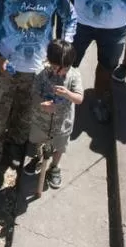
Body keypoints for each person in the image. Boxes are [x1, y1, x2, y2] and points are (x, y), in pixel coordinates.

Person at [0, 0, 76, 190]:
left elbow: (70, 18)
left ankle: (15, 148)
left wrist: (61, 51)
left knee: (26, 113)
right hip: (6, 66)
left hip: (38, 68)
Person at [25, 40, 83, 194]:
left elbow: (79, 98)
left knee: (59, 147)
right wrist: (41, 104)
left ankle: (54, 167)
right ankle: (39, 158)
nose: (62, 72)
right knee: (39, 141)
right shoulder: (41, 73)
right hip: (41, 121)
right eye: (58, 67)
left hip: (62, 124)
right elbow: (34, 94)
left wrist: (68, 94)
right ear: (50, 62)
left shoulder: (74, 75)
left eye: (66, 67)